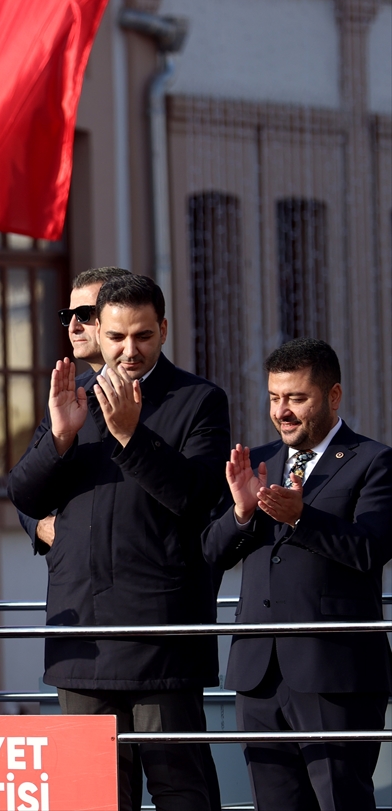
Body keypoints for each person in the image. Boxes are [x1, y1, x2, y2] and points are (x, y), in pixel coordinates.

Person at [7, 275, 228, 811]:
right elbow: (23, 493)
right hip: (81, 628)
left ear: (164, 330)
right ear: (97, 334)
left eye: (144, 336)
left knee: (180, 785)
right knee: (94, 792)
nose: (130, 351)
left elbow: (197, 498)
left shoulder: (198, 399)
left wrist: (132, 435)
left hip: (161, 630)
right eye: (118, 337)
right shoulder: (72, 398)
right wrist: (59, 438)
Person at [202, 338, 392, 811]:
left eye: (296, 398)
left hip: (335, 674)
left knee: (341, 801)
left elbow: (370, 549)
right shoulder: (257, 463)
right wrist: (242, 513)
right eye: (274, 398)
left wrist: (302, 518)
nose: (282, 411)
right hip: (259, 676)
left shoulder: (374, 462)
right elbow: (211, 553)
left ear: (333, 396)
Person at [19, 266, 130, 549]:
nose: (73, 327)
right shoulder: (70, 392)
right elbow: (23, 484)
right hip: (74, 582)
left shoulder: (183, 395)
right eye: (67, 316)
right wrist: (40, 525)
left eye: (84, 315)